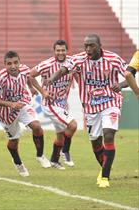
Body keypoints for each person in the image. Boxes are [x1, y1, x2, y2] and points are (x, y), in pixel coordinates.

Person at [46, 34, 127, 188]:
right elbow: (64, 69)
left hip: (111, 101)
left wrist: (121, 85)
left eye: (92, 46)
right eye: (86, 46)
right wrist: (52, 79)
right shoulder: (78, 59)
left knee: (109, 134)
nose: (88, 49)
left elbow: (129, 75)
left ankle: (105, 177)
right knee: (96, 143)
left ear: (99, 45)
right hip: (90, 107)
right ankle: (105, 167)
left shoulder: (113, 58)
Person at [0, 50, 51, 177]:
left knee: (37, 127)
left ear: (19, 62)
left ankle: (40, 155)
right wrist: (11, 104)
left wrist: (33, 88)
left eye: (16, 62)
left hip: (23, 103)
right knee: (14, 140)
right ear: (5, 64)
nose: (13, 66)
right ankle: (18, 163)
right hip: (6, 113)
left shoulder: (24, 69)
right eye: (9, 63)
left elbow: (29, 78)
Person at [30, 40, 77, 169]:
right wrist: (42, 91)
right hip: (50, 103)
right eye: (58, 50)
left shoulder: (72, 63)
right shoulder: (47, 64)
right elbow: (31, 75)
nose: (60, 53)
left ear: (67, 51)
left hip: (62, 104)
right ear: (54, 51)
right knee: (72, 125)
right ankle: (65, 151)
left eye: (63, 50)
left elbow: (77, 74)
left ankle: (54, 160)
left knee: (61, 137)